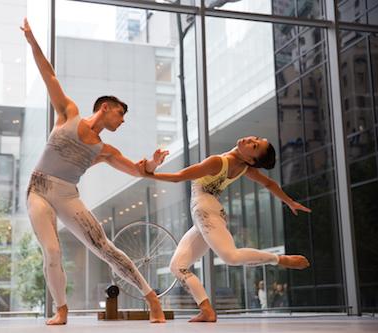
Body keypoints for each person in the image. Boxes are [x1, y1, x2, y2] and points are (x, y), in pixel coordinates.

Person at [20, 18, 169, 324]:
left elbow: (139, 170)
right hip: (38, 189)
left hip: (66, 194)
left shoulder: (104, 151)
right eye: (120, 114)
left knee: (103, 246)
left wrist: (153, 164)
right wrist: (33, 41)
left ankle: (151, 297)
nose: (122, 120)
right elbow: (48, 74)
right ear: (105, 107)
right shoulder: (68, 113)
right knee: (52, 249)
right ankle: (61, 309)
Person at [139, 136, 311, 322]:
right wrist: (289, 202)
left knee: (231, 257)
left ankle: (279, 259)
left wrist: (147, 174)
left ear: (251, 159)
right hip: (206, 215)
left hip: (206, 212)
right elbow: (269, 183)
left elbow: (179, 177)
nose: (249, 139)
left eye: (254, 145)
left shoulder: (218, 162)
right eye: (256, 138)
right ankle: (206, 310)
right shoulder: (243, 167)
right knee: (177, 266)